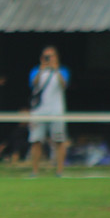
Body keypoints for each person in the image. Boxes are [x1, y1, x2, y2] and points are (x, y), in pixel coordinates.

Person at [28, 46, 70, 176]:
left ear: (56, 57)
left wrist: (55, 69)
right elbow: (33, 84)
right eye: (46, 56)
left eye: (51, 56)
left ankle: (60, 171)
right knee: (36, 141)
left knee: (59, 141)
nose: (48, 59)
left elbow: (64, 85)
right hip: (39, 111)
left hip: (56, 111)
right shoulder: (36, 71)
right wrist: (42, 69)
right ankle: (35, 171)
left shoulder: (62, 71)